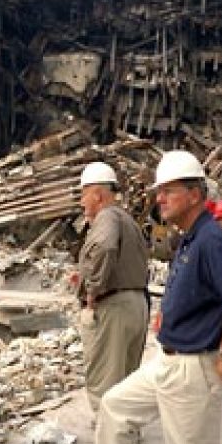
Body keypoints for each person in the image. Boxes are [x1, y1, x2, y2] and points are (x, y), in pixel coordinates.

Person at [93, 151, 222, 444]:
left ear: (195, 194)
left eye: (168, 191)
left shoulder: (210, 240)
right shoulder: (190, 239)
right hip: (167, 362)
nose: (159, 198)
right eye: (159, 191)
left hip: (192, 370)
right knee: (115, 407)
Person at [76, 162, 149, 414]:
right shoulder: (126, 219)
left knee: (105, 387)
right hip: (137, 305)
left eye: (83, 194)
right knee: (127, 386)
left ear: (97, 194)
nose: (81, 202)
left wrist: (91, 293)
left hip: (113, 309)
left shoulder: (106, 217)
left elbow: (105, 248)